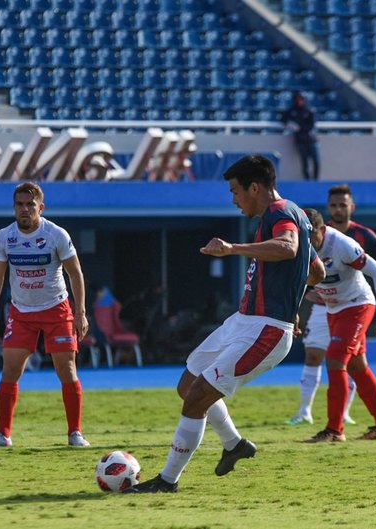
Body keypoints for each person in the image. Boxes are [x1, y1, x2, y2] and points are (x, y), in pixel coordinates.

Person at [124, 154, 326, 493]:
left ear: (255, 187)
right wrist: (290, 294)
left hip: (266, 329)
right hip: (243, 321)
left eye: (235, 191)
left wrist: (233, 248)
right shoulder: (289, 215)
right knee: (188, 384)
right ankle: (234, 444)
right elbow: (316, 272)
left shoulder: (280, 213)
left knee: (197, 398)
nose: (233, 199)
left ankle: (167, 480)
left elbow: (289, 248)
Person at [0, 182, 90, 448]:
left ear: (41, 206)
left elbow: (75, 273)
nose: (25, 209)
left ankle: (75, 433)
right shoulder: (4, 236)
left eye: (30, 204)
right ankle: (3, 434)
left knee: (67, 369)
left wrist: (80, 312)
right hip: (21, 312)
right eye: (20, 204)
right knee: (10, 370)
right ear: (14, 207)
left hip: (57, 309)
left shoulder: (56, 234)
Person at [288, 184, 376, 425]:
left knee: (335, 358)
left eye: (310, 235)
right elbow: (297, 282)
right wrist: (296, 312)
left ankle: (334, 429)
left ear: (321, 229)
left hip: (357, 305)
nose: (306, 241)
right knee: (357, 367)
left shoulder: (342, 243)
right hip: (332, 308)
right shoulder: (300, 247)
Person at [281, 92, 320, 181]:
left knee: (316, 161)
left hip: (312, 140)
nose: (300, 101)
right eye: (298, 99)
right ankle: (307, 181)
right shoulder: (292, 111)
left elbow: (311, 125)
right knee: (304, 162)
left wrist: (300, 128)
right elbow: (283, 118)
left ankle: (316, 180)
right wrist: (291, 124)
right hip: (300, 141)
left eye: (301, 99)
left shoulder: (309, 110)